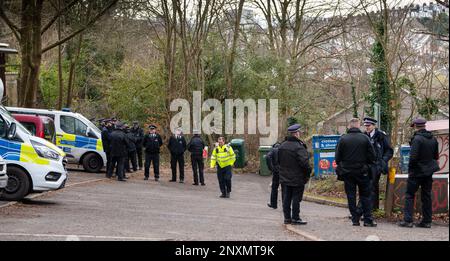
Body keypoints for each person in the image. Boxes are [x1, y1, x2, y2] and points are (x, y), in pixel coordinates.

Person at [399, 117, 439, 228]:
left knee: (410, 195)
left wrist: (411, 170)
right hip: (428, 172)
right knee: (426, 196)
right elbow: (436, 156)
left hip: (416, 172)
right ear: (424, 126)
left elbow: (413, 158)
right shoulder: (433, 139)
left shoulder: (417, 139)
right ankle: (427, 221)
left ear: (415, 126)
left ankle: (408, 220)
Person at [335, 118, 377, 227]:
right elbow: (373, 156)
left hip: (347, 172)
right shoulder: (365, 138)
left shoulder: (343, 139)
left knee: (351, 196)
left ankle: (355, 219)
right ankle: (368, 220)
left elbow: (337, 158)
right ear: (358, 126)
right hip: (362, 171)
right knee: (365, 195)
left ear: (349, 126)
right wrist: (367, 165)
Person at [278, 124, 311, 225]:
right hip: (297, 177)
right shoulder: (299, 147)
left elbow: (278, 161)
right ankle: (295, 218)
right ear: (296, 134)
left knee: (286, 198)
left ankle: (287, 218)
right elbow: (305, 164)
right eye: (299, 132)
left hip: (284, 177)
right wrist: (308, 174)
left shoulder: (282, 146)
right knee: (296, 198)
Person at [360, 117, 393, 212]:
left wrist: (383, 161)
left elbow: (389, 151)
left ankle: (369, 209)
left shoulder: (381, 136)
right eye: (365, 125)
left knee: (372, 186)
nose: (367, 127)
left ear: (374, 126)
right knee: (367, 187)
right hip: (366, 166)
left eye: (369, 125)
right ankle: (370, 209)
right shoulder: (363, 136)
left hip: (376, 165)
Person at [266, 141, 281, 209]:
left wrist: (271, 168)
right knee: (285, 189)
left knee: (274, 188)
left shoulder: (273, 150)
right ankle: (286, 206)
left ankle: (273, 204)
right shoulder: (284, 150)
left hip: (276, 172)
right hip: (284, 172)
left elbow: (268, 157)